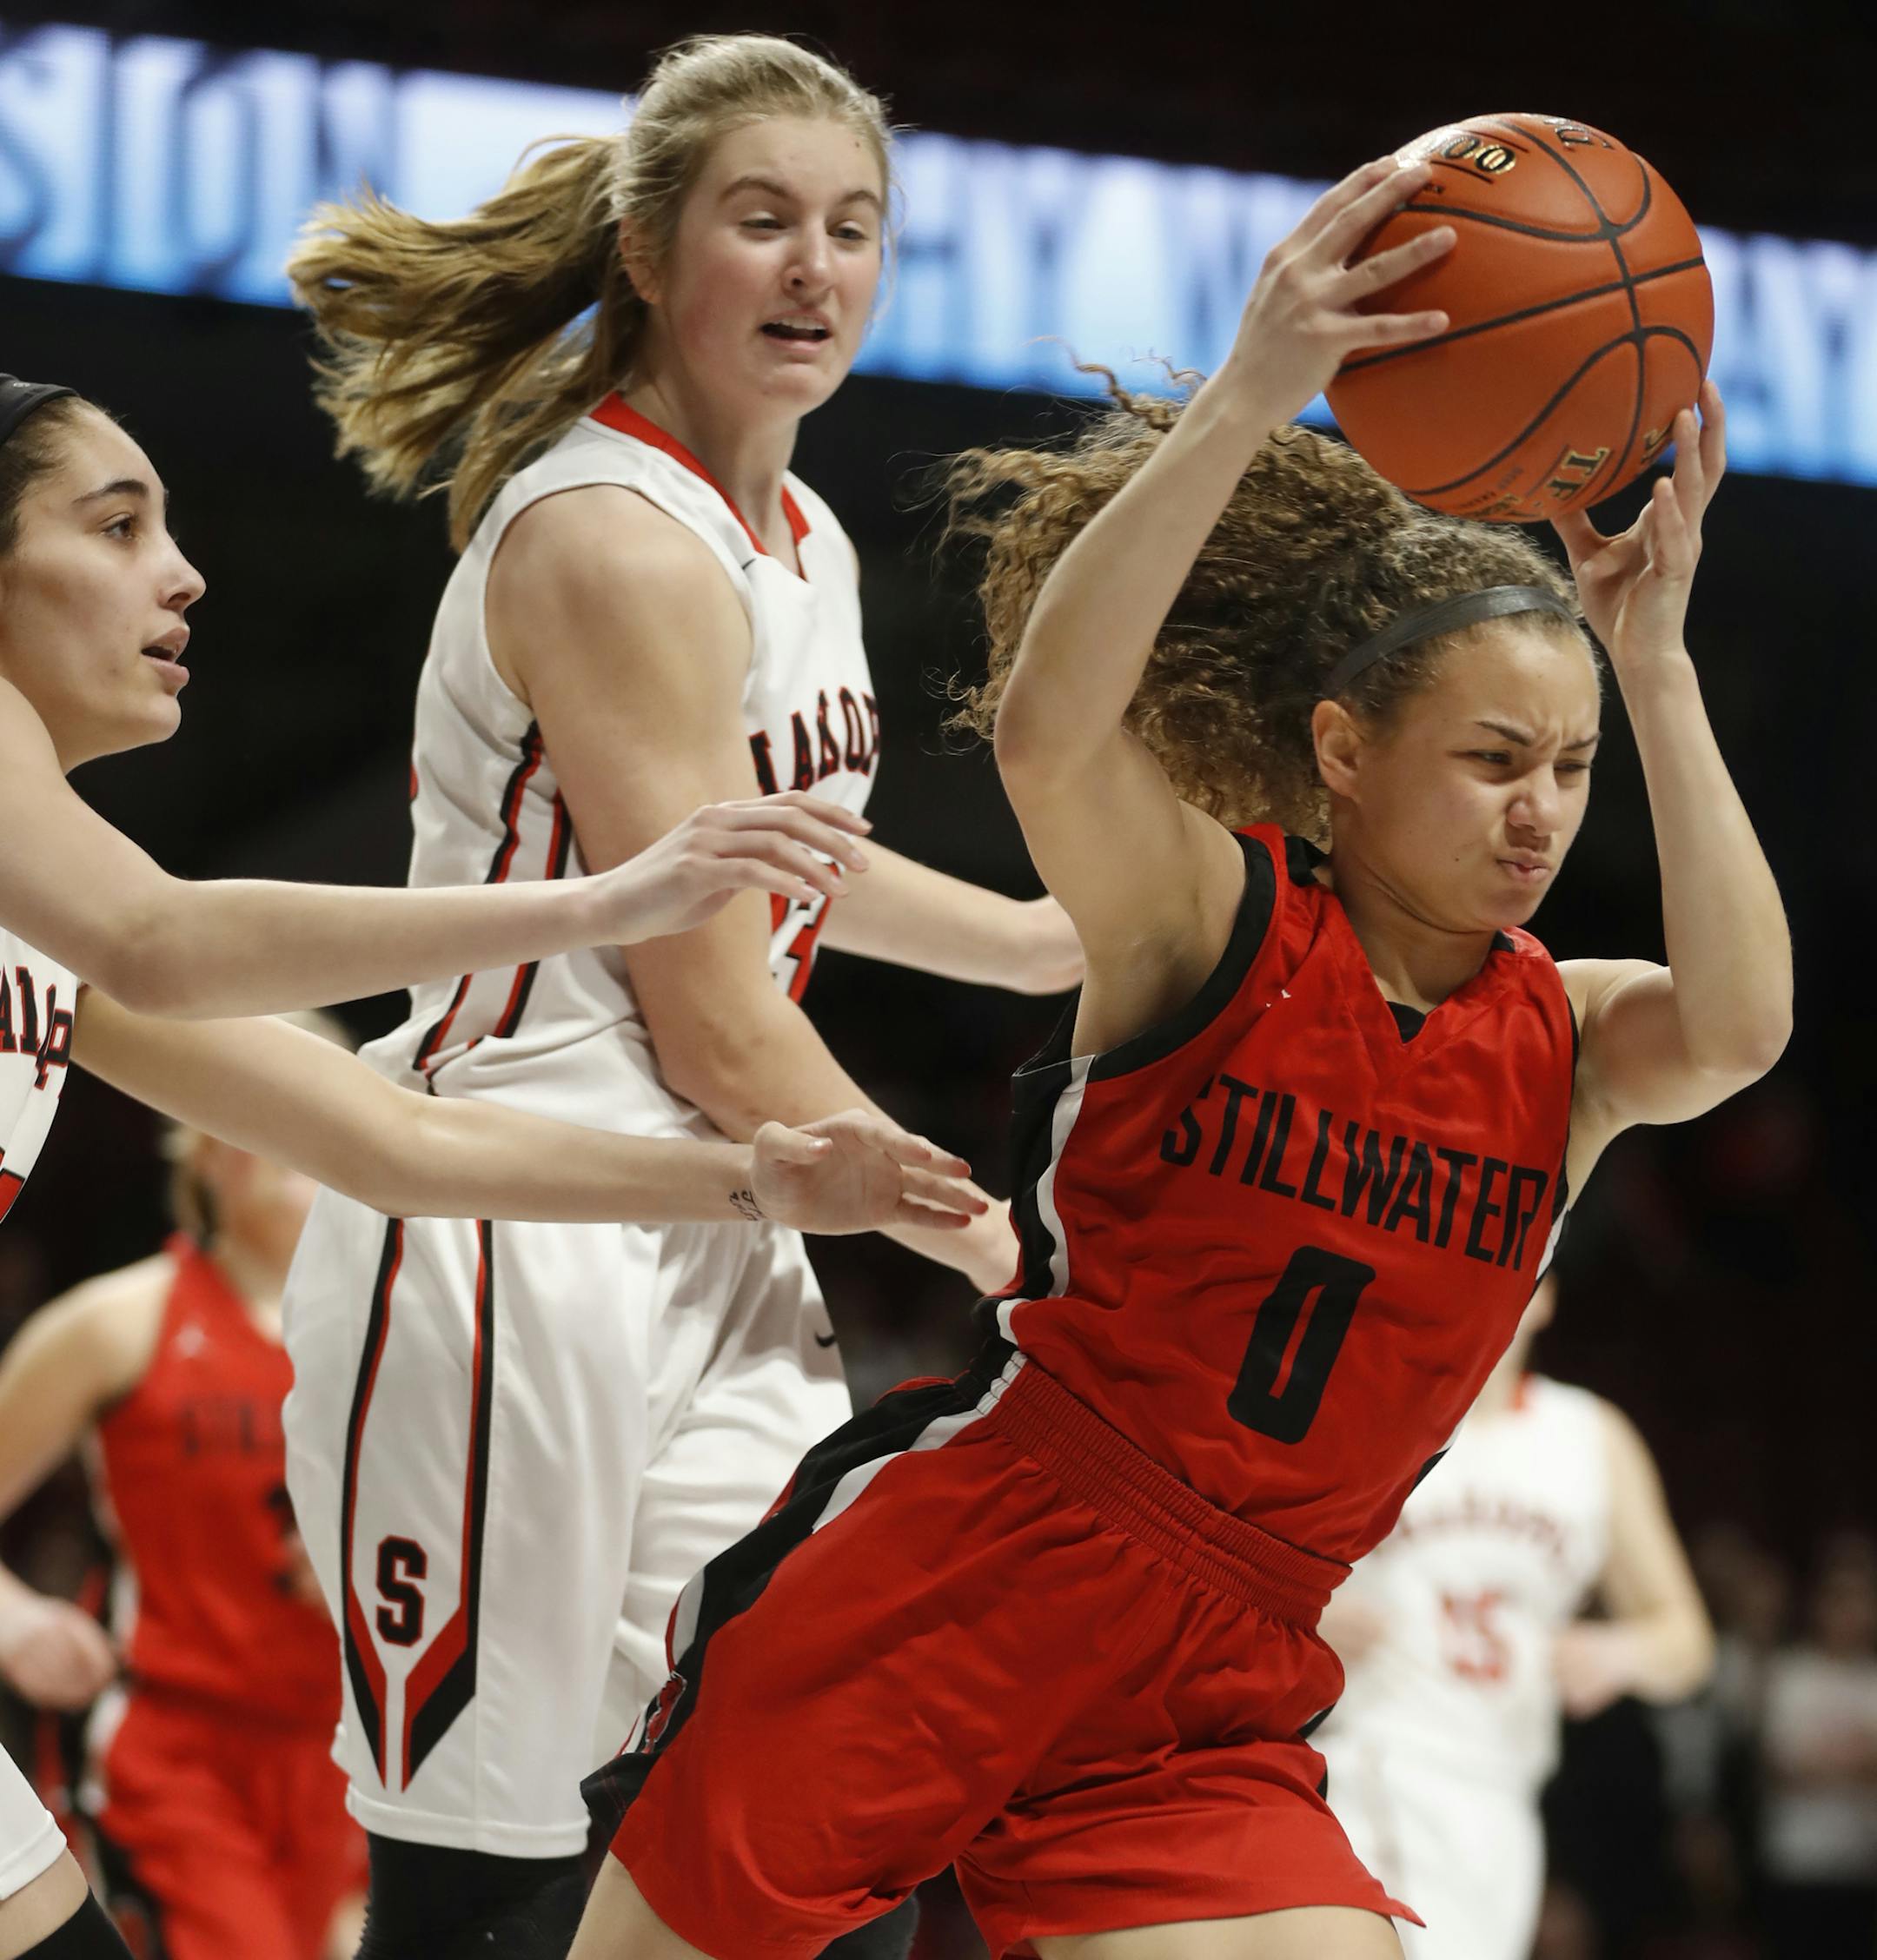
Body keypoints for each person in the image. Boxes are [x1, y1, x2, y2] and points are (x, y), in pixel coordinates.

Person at [573, 152, 1791, 1960]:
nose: (1540, 810)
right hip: (982, 1565)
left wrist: (1655, 664)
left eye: (1570, 769)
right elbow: (1057, 733)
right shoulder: (1213, 927)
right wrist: (1245, 393)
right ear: (1345, 753)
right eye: (1490, 760)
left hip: (1231, 1655)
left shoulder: (1573, 1033)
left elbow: (1746, 1025)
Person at [0, 370, 974, 1960]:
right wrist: (598, 902)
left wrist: (766, 1185)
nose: (182, 571)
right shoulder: (90, 900)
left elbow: (399, 1138)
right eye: (115, 527)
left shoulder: (51, 920)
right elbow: (165, 932)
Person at [282, 35, 1073, 1954]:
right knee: (494, 1884)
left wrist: (1051, 940)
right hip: (515, 1224)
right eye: (764, 222)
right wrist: (1019, 1243)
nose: (815, 270)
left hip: (726, 1209)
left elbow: (782, 857)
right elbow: (719, 1018)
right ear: (649, 251)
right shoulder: (612, 538)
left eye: (853, 229)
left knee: (778, 1819)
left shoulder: (796, 538)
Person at [0, 1067, 371, 1960]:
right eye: (270, 1121)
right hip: (177, 1748)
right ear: (206, 1153)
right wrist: (11, 1618)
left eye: (321, 1123)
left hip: (349, 1748)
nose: (297, 1152)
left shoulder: (401, 1333)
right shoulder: (118, 1322)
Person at [1313, 1270, 1716, 1960]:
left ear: (1548, 1295)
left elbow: (1687, 1639)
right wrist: (1311, 1609)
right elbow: (1231, 1577)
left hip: (1505, 1787)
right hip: (1377, 1760)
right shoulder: (1366, 1407)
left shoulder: (1590, 1438)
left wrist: (1620, 1654)